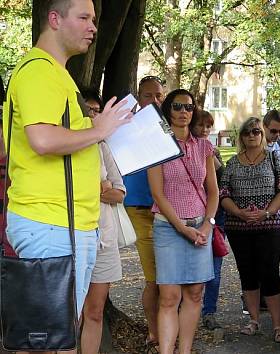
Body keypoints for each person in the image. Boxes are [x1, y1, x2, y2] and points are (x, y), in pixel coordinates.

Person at [2, 2, 131, 354]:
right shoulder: (39, 71)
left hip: (64, 224)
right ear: (55, 19)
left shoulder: (56, 74)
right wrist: (99, 128)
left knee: (55, 340)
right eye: (84, 18)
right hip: (51, 223)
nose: (93, 27)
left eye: (94, 19)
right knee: (51, 344)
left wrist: (97, 127)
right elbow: (42, 139)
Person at [147, 89, 219, 354]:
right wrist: (182, 228)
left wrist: (207, 225)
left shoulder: (203, 146)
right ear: (168, 111)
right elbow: (157, 192)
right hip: (168, 227)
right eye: (177, 107)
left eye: (188, 107)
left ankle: (185, 350)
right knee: (169, 297)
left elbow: (213, 191)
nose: (183, 112)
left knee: (195, 294)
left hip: (200, 227)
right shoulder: (158, 145)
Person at [220, 116, 280, 343]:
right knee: (247, 273)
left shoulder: (273, 158)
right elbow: (223, 194)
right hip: (238, 227)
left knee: (269, 272)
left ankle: (278, 325)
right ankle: (253, 320)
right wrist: (239, 213)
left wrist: (267, 212)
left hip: (269, 225)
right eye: (247, 132)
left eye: (256, 132)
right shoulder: (232, 163)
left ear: (262, 135)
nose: (252, 135)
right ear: (241, 136)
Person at [80, 90, 125, 353]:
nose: (92, 114)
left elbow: (118, 193)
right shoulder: (66, 145)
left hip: (104, 241)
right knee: (70, 312)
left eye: (97, 110)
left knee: (94, 312)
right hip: (73, 237)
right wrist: (100, 187)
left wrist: (99, 189)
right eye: (88, 109)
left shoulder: (102, 147)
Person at [123, 75, 165, 348]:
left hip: (168, 211)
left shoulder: (169, 126)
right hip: (139, 208)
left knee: (169, 278)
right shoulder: (127, 126)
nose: (156, 101)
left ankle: (167, 329)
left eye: (159, 95)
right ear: (139, 97)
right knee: (154, 277)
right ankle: (154, 332)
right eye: (149, 95)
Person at [190, 109, 227, 331]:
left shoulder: (212, 151)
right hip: (190, 212)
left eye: (208, 126)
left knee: (214, 264)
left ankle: (209, 310)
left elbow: (219, 178)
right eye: (200, 126)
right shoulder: (182, 149)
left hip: (214, 214)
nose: (204, 130)